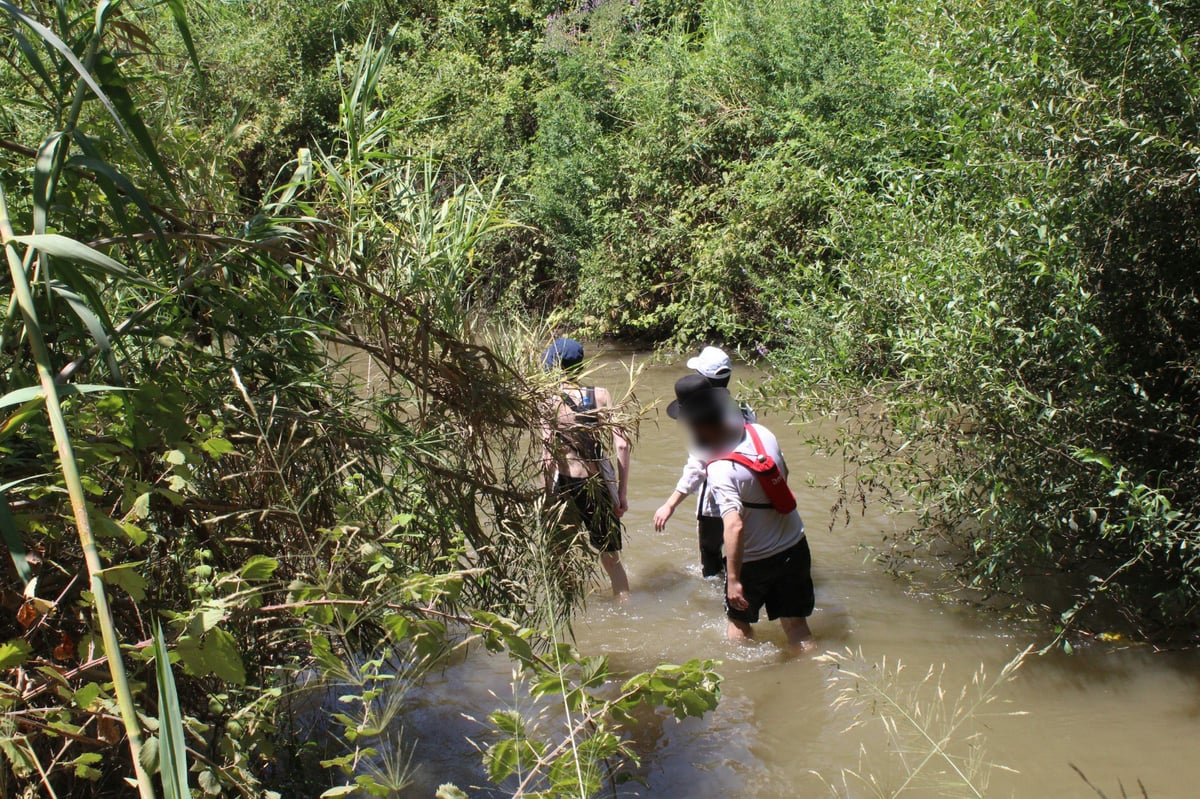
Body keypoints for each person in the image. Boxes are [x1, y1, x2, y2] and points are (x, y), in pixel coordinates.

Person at [667, 375, 814, 651]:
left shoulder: (721, 468)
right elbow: (784, 475)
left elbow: (734, 525)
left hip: (755, 561)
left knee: (738, 626)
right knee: (798, 629)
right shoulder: (761, 433)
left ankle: (745, 690)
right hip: (795, 544)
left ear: (698, 425)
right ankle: (812, 678)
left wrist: (733, 580)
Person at [653, 346, 755, 576]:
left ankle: (720, 592)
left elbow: (698, 467)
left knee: (710, 554)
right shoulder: (744, 408)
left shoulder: (703, 419)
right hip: (748, 490)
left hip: (717, 496)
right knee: (742, 546)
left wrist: (670, 504)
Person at [541, 337, 631, 598]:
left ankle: (568, 608)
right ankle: (626, 609)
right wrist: (621, 493)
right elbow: (622, 445)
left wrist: (547, 498)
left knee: (561, 552)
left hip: (565, 485)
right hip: (596, 485)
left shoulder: (547, 400)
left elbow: (547, 453)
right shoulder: (599, 395)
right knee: (611, 559)